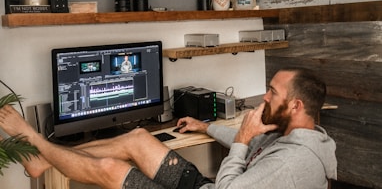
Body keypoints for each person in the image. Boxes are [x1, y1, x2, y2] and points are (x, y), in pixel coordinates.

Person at [0, 67, 337, 189]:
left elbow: (241, 155)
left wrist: (244, 139)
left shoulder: (291, 163)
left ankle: (32, 140)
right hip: (204, 185)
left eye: (272, 92)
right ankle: (42, 159)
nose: (264, 96)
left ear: (295, 105)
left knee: (108, 169)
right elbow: (245, 141)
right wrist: (205, 127)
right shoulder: (289, 134)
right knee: (137, 137)